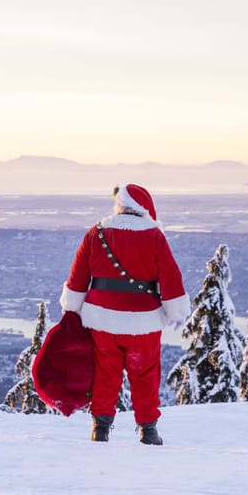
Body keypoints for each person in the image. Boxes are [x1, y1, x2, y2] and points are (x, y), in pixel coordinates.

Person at [59, 184, 189, 444]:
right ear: (144, 210)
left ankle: (100, 429)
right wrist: (175, 311)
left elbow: (78, 276)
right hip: (143, 321)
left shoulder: (96, 233)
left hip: (103, 320)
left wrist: (71, 307)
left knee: (106, 372)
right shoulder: (154, 236)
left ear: (120, 205)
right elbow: (170, 276)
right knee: (145, 373)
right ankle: (148, 431)